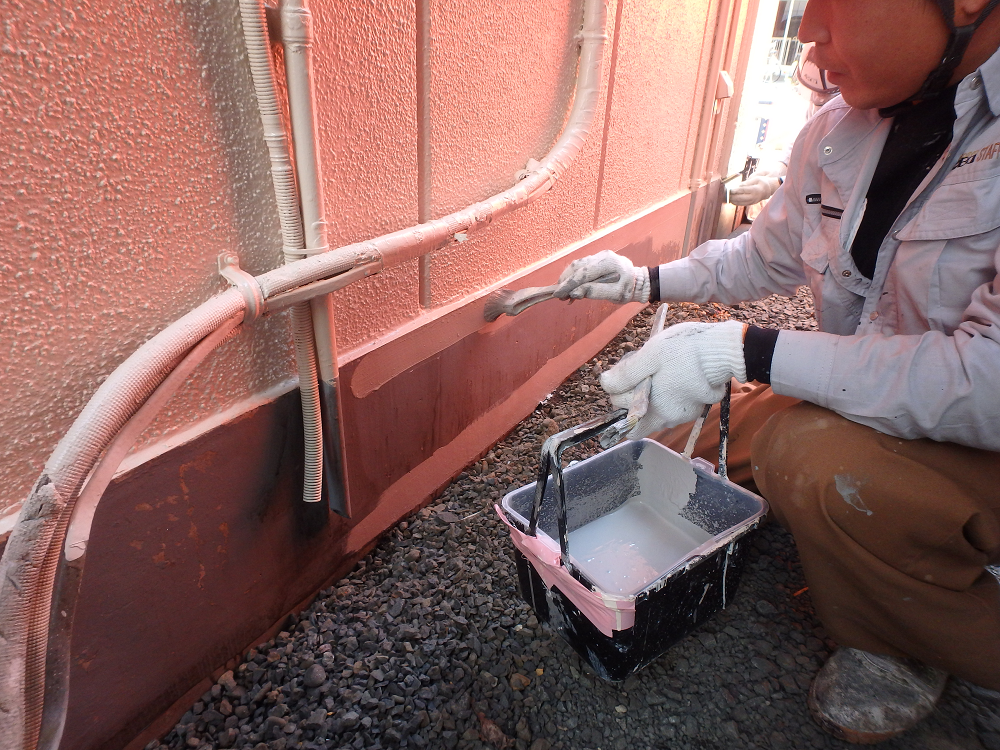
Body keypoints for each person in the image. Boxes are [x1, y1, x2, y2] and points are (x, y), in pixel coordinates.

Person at [553, 0, 1000, 743]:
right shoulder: (842, 128)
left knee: (807, 461)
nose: (810, 27)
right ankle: (889, 543)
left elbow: (988, 381)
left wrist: (746, 352)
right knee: (669, 443)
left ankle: (920, 634)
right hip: (883, 402)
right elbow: (762, 256)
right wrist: (642, 282)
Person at [729, 43, 840, 207]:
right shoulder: (814, 104)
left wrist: (776, 184)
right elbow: (804, 140)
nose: (818, 98)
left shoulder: (850, 113)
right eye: (813, 90)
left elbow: (827, 174)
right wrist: (781, 166)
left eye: (824, 93)